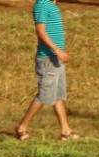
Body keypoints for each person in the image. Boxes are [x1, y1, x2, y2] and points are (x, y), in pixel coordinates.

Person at [13, 0, 78, 142]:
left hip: (56, 59)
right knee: (44, 95)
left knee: (58, 95)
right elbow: (40, 30)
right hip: (48, 58)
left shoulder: (52, 5)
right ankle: (21, 127)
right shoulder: (42, 4)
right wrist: (57, 51)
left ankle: (66, 131)